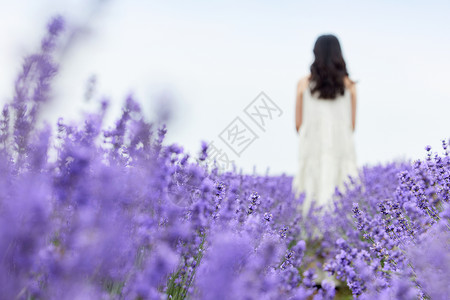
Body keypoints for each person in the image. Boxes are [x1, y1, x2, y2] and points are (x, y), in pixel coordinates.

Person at [292, 34, 358, 215]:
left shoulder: (303, 84)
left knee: (310, 193)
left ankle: (312, 241)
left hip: (312, 147)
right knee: (342, 192)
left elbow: (298, 125)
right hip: (341, 147)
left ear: (315, 53)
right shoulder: (350, 85)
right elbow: (352, 125)